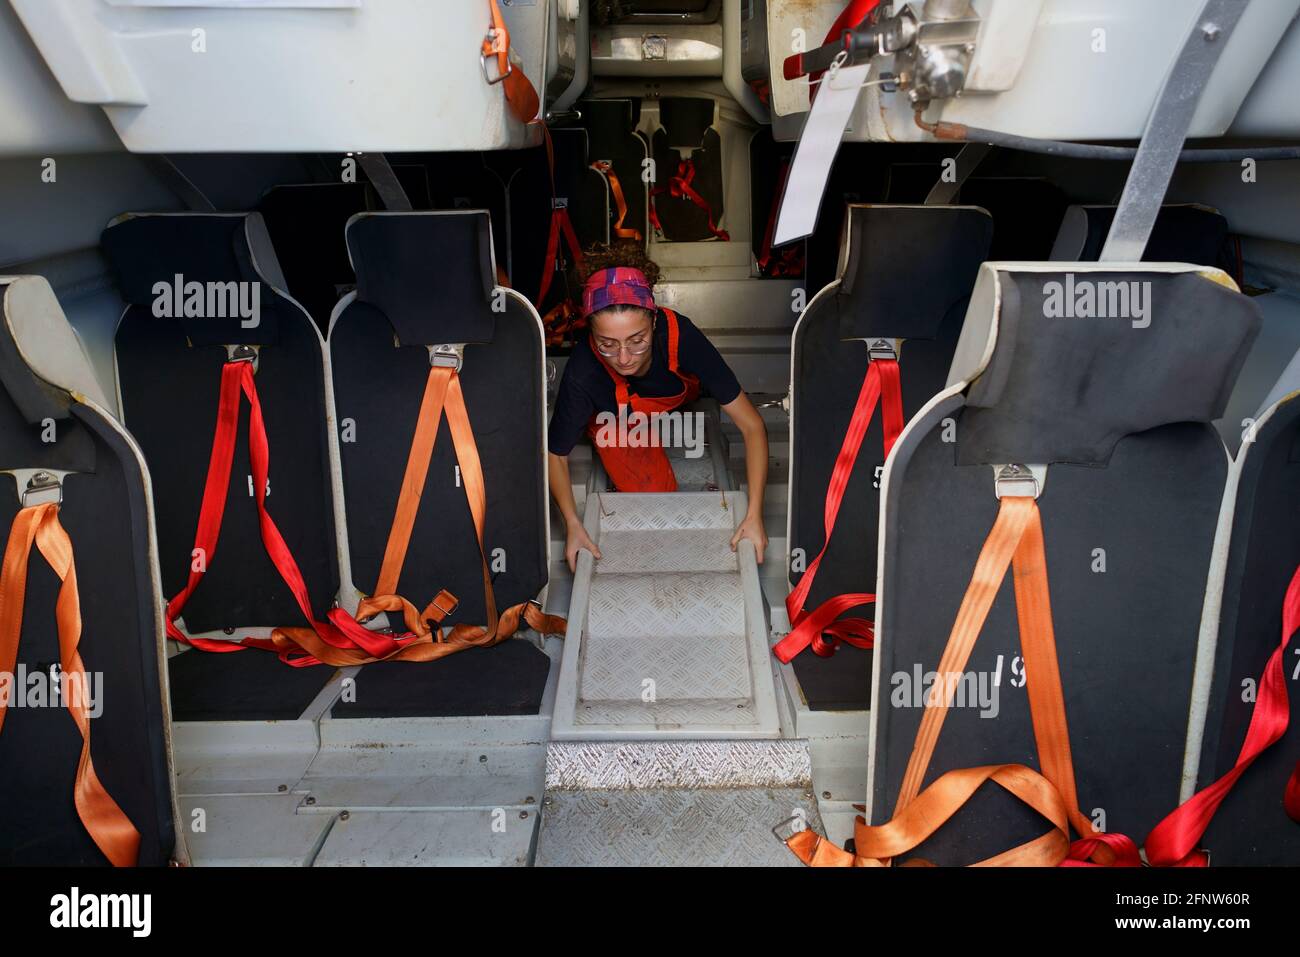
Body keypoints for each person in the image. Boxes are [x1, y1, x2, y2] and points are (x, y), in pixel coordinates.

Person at [547, 243, 769, 572]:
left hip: (676, 400)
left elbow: (752, 426)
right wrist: (572, 525)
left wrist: (754, 515)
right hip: (619, 420)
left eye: (637, 340)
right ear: (591, 333)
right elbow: (555, 454)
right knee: (653, 492)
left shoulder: (682, 334)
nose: (623, 358)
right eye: (607, 344)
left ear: (653, 321)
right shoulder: (583, 371)